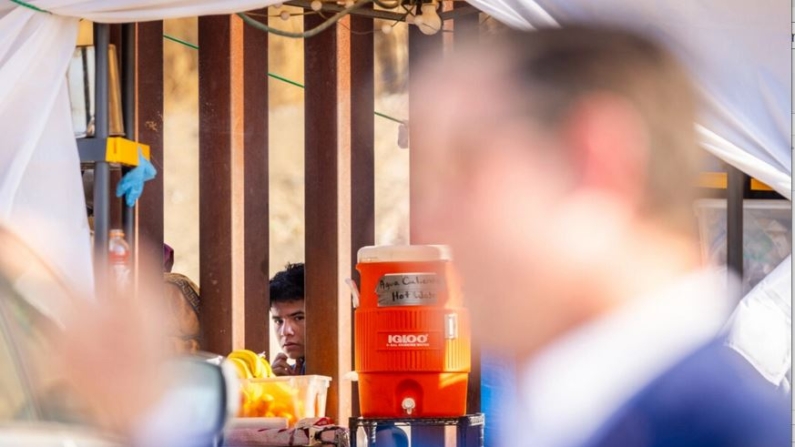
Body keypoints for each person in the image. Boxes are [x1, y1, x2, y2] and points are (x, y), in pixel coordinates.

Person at [411, 26, 789, 447]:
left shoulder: (727, 433)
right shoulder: (563, 418)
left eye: (463, 168)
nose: (428, 223)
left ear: (596, 161)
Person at [269, 263, 307, 376]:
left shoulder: (351, 372)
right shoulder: (282, 376)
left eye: (298, 318)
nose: (285, 332)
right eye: (278, 321)